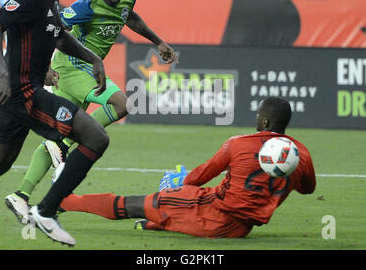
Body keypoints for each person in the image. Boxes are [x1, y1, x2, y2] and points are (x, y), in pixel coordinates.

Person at [5, 0, 178, 226]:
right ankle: (61, 140)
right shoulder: (85, 6)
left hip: (89, 72)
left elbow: (130, 18)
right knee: (121, 104)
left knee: (56, 133)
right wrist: (47, 66)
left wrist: (158, 42)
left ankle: (22, 193)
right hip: (73, 69)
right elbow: (55, 29)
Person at [52, 97, 316, 238]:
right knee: (177, 204)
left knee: (131, 204)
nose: (256, 119)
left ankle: (62, 201)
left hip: (215, 216)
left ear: (264, 120)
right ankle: (159, 220)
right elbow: (308, 189)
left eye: (258, 116)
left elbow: (202, 175)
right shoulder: (300, 155)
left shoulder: (238, 144)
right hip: (242, 227)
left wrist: (181, 185)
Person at [0, 0, 111, 246]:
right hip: (23, 93)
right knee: (96, 138)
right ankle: (46, 212)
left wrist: (93, 58)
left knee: (1, 163)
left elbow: (58, 36)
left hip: (20, 95)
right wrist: (2, 74)